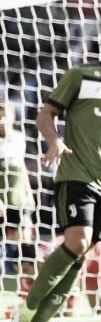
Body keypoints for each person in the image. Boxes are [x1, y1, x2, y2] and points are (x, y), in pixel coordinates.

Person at [13, 24, 101, 322]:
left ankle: (37, 320)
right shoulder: (80, 75)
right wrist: (55, 140)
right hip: (76, 175)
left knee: (80, 254)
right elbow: (45, 114)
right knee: (77, 242)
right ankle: (26, 310)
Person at [1, 101, 35, 243]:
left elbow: (22, 166)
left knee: (24, 241)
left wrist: (29, 193)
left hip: (19, 199)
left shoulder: (19, 138)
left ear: (13, 116)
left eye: (4, 114)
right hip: (2, 200)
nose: (2, 118)